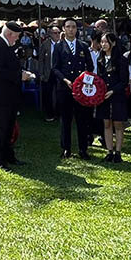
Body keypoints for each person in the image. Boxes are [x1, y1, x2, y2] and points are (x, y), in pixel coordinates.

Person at [0, 21, 34, 170]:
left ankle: (9, 156)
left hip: (10, 95)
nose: (17, 40)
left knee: (8, 128)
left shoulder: (7, 46)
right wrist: (19, 76)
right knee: (0, 130)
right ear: (9, 34)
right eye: (16, 37)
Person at [51, 18, 94, 160]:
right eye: (68, 27)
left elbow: (90, 67)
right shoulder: (58, 47)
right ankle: (66, 148)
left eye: (73, 27)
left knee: (82, 120)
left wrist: (84, 78)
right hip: (64, 89)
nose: (71, 29)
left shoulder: (83, 45)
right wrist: (64, 80)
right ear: (64, 29)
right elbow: (55, 68)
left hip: (81, 90)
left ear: (77, 29)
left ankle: (83, 149)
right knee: (66, 120)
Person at [96, 32, 127, 163]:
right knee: (106, 123)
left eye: (106, 42)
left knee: (118, 124)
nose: (103, 45)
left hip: (117, 95)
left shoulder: (121, 59)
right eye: (102, 42)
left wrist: (113, 91)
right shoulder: (100, 59)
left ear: (113, 43)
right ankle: (109, 150)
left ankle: (118, 151)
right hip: (104, 96)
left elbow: (124, 80)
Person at [38, 25, 59, 121]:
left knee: (59, 94)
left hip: (59, 72)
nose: (57, 35)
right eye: (55, 33)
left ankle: (59, 113)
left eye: (58, 33)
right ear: (50, 34)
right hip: (48, 71)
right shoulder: (45, 44)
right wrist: (41, 73)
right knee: (48, 94)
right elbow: (41, 59)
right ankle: (49, 114)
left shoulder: (62, 44)